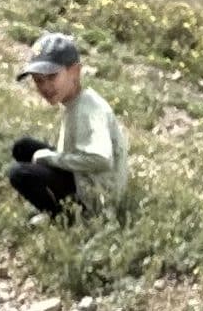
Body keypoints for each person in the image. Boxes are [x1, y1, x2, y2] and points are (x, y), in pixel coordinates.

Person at [9, 30, 129, 216]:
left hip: (96, 196)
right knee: (24, 148)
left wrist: (50, 158)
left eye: (52, 77)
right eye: (38, 80)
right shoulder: (76, 102)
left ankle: (66, 216)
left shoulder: (89, 109)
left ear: (75, 71)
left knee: (19, 173)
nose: (45, 87)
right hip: (84, 177)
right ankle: (56, 206)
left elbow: (101, 159)